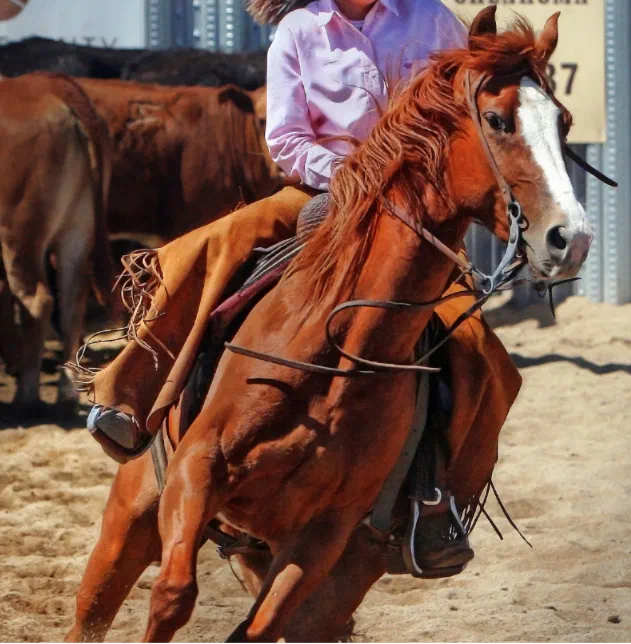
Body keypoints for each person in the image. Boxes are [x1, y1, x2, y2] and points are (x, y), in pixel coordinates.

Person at [84, 0, 521, 574]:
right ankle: (133, 390)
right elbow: (286, 138)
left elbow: (469, 110)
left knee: (481, 354)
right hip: (322, 194)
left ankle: (432, 498)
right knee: (219, 246)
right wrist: (357, 180)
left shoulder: (433, 19)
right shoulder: (298, 30)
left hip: (419, 218)